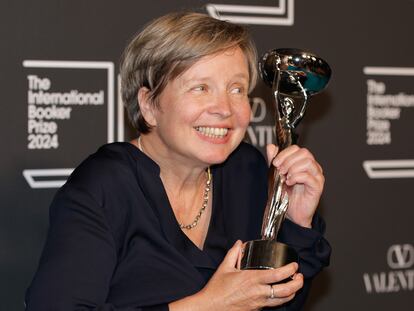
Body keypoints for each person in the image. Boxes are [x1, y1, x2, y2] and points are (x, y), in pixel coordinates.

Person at [25, 12, 330, 311]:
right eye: (201, 88)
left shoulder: (247, 172)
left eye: (236, 89)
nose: (224, 108)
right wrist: (208, 306)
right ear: (149, 106)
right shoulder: (105, 187)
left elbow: (275, 302)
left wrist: (296, 224)